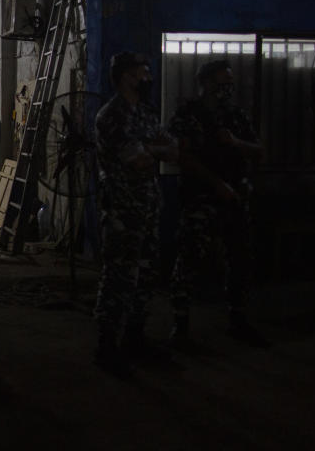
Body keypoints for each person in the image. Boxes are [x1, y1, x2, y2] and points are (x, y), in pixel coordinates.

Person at [168, 60, 267, 348]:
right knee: (190, 258)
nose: (228, 89)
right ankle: (180, 324)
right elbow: (182, 156)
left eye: (230, 83)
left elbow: (258, 151)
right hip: (201, 198)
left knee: (240, 257)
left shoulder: (235, 116)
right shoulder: (188, 114)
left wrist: (237, 143)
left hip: (234, 198)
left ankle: (238, 319)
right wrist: (216, 185)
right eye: (222, 83)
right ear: (207, 83)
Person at [93, 52, 176, 375]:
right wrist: (152, 150)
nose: (146, 77)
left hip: (148, 205)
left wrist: (149, 149)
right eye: (141, 72)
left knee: (145, 275)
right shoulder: (111, 116)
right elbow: (137, 160)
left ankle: (134, 338)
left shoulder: (146, 112)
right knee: (118, 277)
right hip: (122, 209)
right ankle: (106, 345)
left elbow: (173, 151)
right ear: (125, 76)